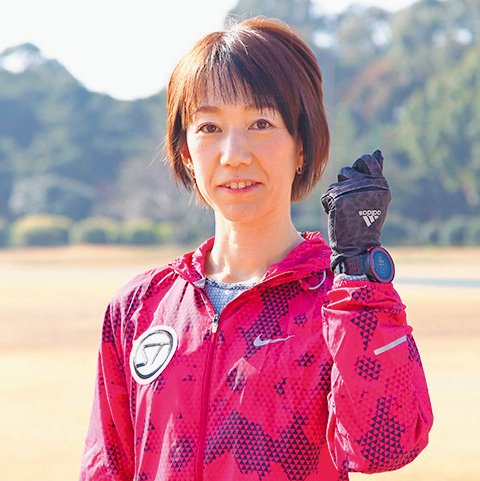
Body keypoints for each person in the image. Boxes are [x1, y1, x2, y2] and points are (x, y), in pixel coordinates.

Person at [79, 17, 433, 481]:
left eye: (261, 123)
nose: (234, 154)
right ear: (186, 152)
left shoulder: (339, 301)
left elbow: (385, 445)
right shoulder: (138, 308)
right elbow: (107, 469)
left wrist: (359, 277)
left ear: (302, 145)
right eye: (209, 127)